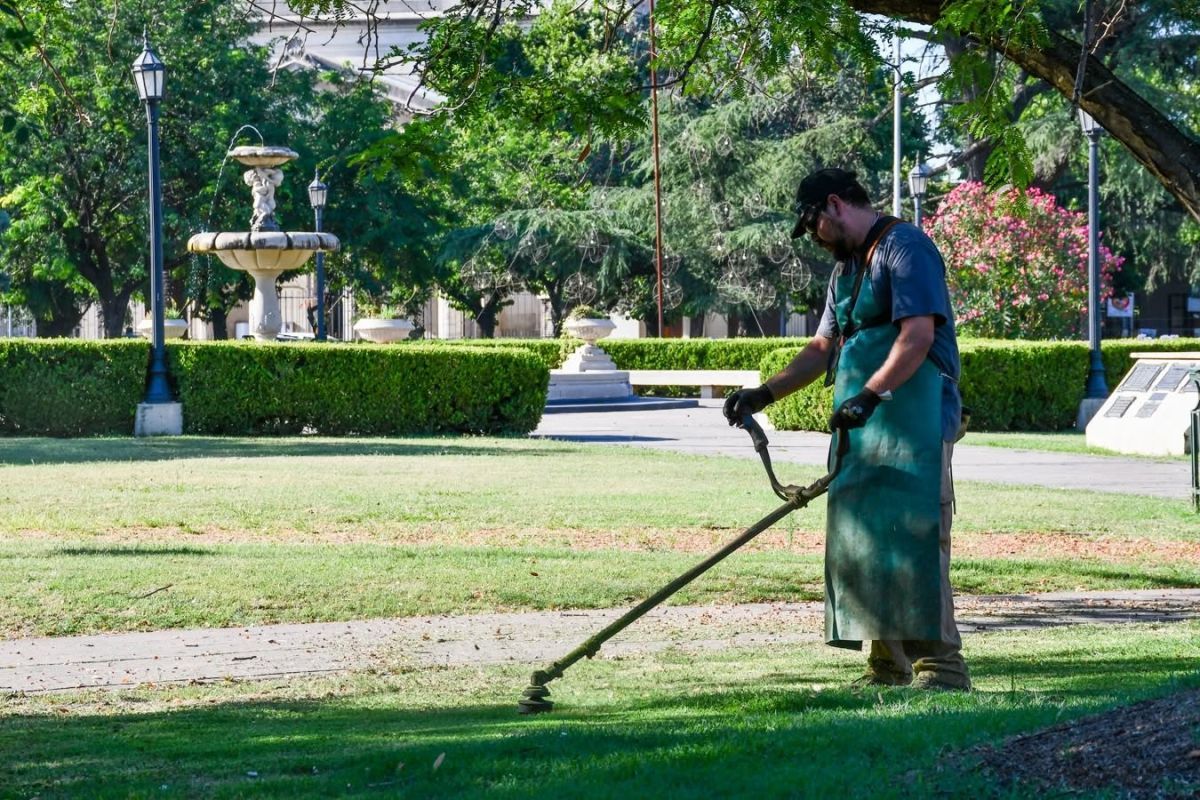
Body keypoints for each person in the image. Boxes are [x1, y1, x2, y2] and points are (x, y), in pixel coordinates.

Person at [723, 167, 970, 691]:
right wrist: (763, 394)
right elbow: (821, 349)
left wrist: (869, 394)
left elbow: (918, 337)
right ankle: (888, 665)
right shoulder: (847, 271)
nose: (814, 236)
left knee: (916, 534)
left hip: (914, 421)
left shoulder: (906, 249)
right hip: (863, 423)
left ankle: (943, 668)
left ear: (834, 205)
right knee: (865, 539)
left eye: (813, 223)